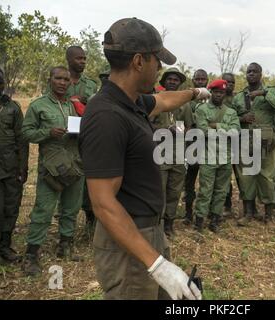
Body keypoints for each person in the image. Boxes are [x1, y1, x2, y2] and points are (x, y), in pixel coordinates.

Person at [79, 18, 207, 300]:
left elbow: (163, 101)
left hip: (149, 232)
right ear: (139, 61)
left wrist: (195, 93)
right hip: (129, 245)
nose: (160, 68)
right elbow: (103, 204)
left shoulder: (133, 102)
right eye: (156, 60)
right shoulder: (107, 116)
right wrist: (157, 264)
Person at [22, 66, 84, 276]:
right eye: (58, 78)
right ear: (50, 79)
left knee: (71, 207)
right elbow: (26, 133)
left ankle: (65, 245)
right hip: (52, 166)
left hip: (75, 164)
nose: (62, 82)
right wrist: (48, 132)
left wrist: (79, 131)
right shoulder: (38, 106)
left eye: (66, 79)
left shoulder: (74, 105)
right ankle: (31, 255)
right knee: (44, 209)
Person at [0, 65, 29, 265]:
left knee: (11, 208)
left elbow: (22, 140)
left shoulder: (12, 107)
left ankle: (5, 245)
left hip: (11, 168)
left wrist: (23, 167)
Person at [233, 62, 275, 225]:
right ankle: (248, 213)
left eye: (254, 71)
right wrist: (241, 119)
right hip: (246, 141)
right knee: (247, 177)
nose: (251, 74)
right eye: (248, 72)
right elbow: (231, 117)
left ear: (261, 74)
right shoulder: (238, 96)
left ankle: (269, 215)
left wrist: (263, 93)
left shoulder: (271, 91)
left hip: (266, 142)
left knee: (267, 177)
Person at [150, 67, 193, 239]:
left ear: (180, 83)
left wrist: (184, 134)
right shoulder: (155, 100)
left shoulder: (186, 104)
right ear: (164, 82)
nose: (173, 82)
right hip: (159, 153)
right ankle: (156, 226)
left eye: (176, 80)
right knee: (159, 191)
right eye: (170, 79)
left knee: (174, 191)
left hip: (178, 154)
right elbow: (146, 124)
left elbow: (190, 127)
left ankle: (169, 224)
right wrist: (164, 129)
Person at [193, 79, 240, 233]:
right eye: (216, 92)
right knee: (206, 190)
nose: (219, 95)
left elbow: (236, 132)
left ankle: (215, 220)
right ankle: (199, 222)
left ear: (225, 94)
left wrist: (217, 125)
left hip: (225, 157)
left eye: (222, 92)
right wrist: (225, 130)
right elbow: (203, 131)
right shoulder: (202, 109)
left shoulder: (231, 112)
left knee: (221, 191)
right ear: (211, 92)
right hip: (208, 156)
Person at [65, 45, 98, 236]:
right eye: (79, 58)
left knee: (89, 180)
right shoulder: (60, 79)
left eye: (84, 58)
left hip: (86, 137)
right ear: (69, 60)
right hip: (64, 138)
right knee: (66, 177)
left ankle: (90, 220)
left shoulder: (91, 84)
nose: (83, 62)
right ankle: (65, 223)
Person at [183, 69, 208, 225]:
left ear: (207, 81)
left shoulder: (212, 99)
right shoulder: (187, 100)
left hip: (208, 147)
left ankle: (205, 214)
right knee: (189, 182)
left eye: (203, 79)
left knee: (207, 182)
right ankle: (188, 213)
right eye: (197, 79)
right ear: (193, 81)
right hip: (191, 146)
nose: (200, 81)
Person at [221, 72, 238, 217]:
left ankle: (249, 207)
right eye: (227, 82)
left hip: (236, 143)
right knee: (224, 176)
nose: (229, 85)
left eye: (232, 82)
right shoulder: (215, 97)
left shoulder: (238, 99)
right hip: (219, 144)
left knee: (241, 175)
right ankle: (225, 205)